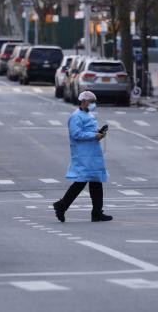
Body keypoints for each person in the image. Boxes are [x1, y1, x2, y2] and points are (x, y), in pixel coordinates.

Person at [53, 90, 112, 223]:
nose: (93, 104)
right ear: (84, 101)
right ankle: (61, 206)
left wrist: (98, 133)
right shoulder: (76, 116)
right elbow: (76, 134)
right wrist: (93, 135)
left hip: (93, 154)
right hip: (83, 155)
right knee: (80, 182)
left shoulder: (89, 115)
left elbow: (89, 131)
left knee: (96, 182)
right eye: (91, 102)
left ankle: (97, 212)